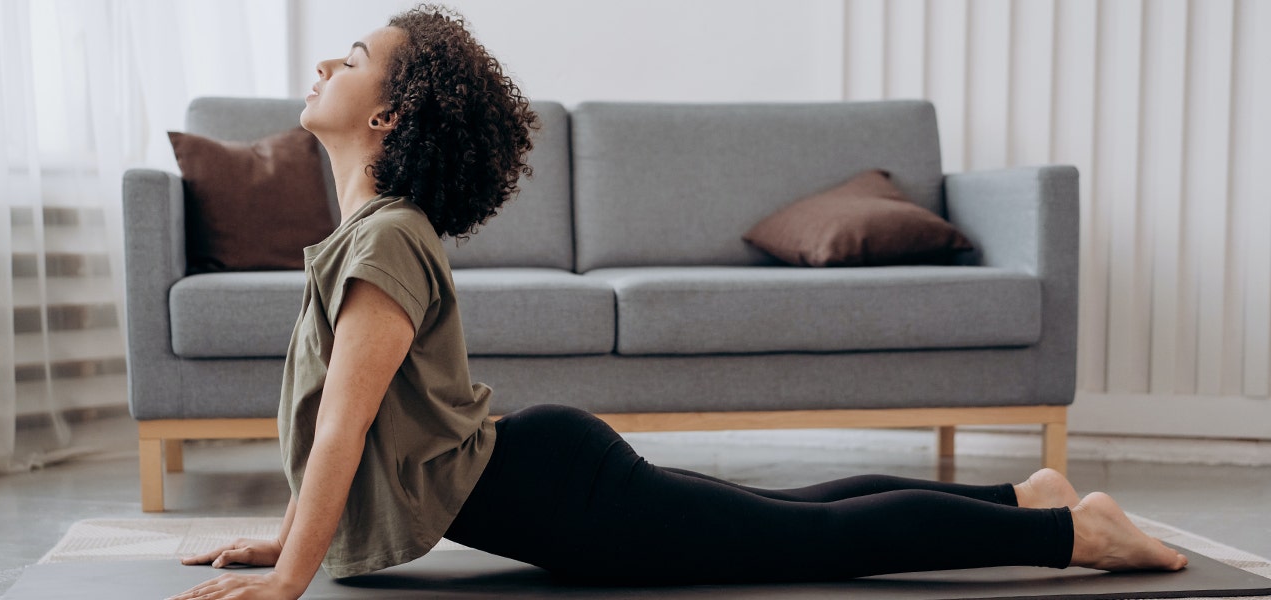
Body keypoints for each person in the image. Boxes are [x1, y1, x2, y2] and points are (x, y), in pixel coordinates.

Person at [169, 5, 1188, 599]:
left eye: (349, 58)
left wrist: (288, 577)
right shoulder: (372, 233)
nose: (323, 62)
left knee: (807, 545)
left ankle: (1068, 536)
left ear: (387, 111)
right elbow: (349, 436)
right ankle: (1030, 500)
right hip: (548, 477)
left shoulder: (384, 238)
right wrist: (289, 534)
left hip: (565, 495)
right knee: (779, 513)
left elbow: (346, 426)